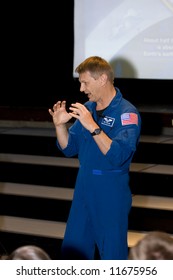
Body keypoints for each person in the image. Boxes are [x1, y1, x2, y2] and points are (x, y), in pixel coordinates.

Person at [48, 56, 141, 260]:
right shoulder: (88, 109)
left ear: (102, 79)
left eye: (85, 82)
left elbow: (119, 155)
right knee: (74, 251)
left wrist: (93, 126)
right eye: (80, 83)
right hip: (84, 186)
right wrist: (59, 125)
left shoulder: (127, 113)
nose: (81, 89)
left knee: (112, 255)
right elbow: (69, 148)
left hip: (110, 190)